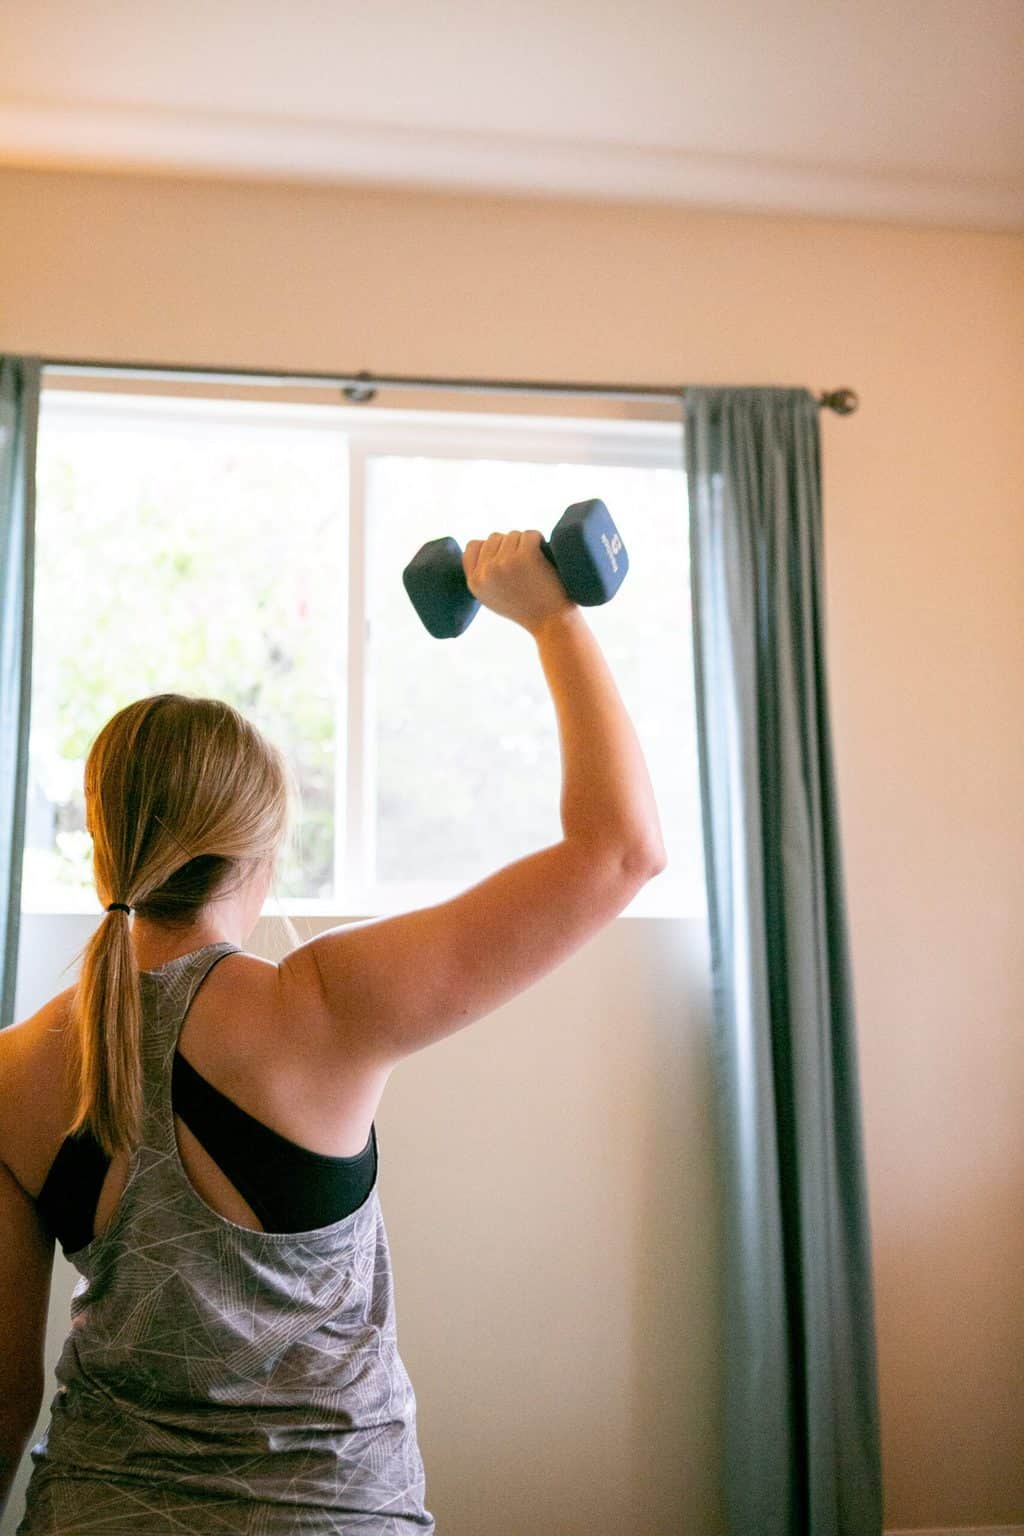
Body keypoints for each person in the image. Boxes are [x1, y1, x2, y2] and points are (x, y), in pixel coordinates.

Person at [0, 529, 667, 1533]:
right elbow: (620, 850)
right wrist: (551, 617)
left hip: (94, 1508)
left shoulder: (14, 1071)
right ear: (257, 851)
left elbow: (2, 1399)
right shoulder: (319, 1001)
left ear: (107, 835)